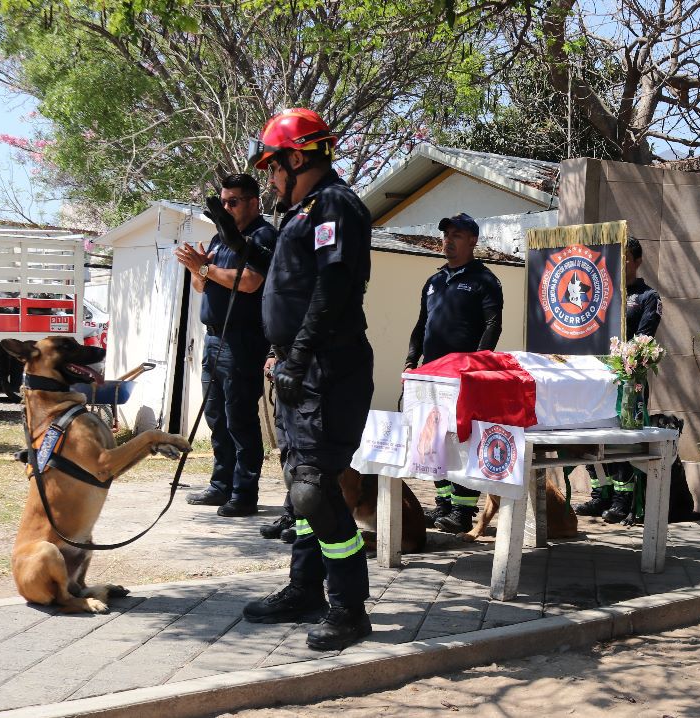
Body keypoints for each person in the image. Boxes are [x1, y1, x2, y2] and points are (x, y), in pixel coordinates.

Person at [240, 108, 375, 651]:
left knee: (316, 490)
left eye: (273, 167)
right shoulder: (300, 214)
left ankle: (349, 608)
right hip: (302, 365)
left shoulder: (335, 206)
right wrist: (283, 354)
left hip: (329, 368)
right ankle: (305, 589)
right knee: (300, 491)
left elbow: (333, 287)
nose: (270, 178)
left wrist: (296, 356)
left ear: (298, 158)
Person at [174, 173, 275, 518]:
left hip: (243, 338)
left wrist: (205, 268)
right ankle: (221, 485)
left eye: (233, 202)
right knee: (216, 415)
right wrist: (196, 269)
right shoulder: (219, 238)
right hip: (214, 337)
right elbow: (203, 288)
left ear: (253, 202)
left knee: (239, 417)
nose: (227, 208)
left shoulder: (262, 237)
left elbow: (249, 283)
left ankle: (244, 493)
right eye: (224, 202)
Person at [403, 212, 504, 534]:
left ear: (472, 240)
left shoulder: (485, 280)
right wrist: (410, 362)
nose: (448, 240)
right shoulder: (433, 282)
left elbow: (492, 324)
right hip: (430, 374)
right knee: (432, 439)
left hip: (464, 376)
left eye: (456, 235)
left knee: (463, 441)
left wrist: (476, 364)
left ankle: (463, 511)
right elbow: (421, 325)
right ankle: (444, 504)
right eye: (446, 234)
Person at [574, 237, 662, 523]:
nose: (620, 264)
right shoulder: (601, 294)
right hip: (595, 380)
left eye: (625, 258)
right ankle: (602, 495)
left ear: (637, 262)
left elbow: (644, 338)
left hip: (627, 379)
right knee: (590, 436)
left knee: (622, 440)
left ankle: (624, 500)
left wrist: (622, 361)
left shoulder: (648, 297)